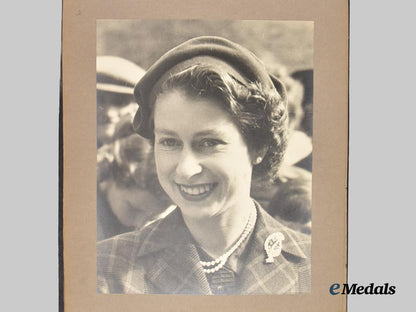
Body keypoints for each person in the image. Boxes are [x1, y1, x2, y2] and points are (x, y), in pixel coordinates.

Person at [97, 36, 311, 295]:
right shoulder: (106, 271)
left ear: (259, 148)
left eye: (209, 143)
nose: (186, 169)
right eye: (169, 142)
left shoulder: (315, 267)